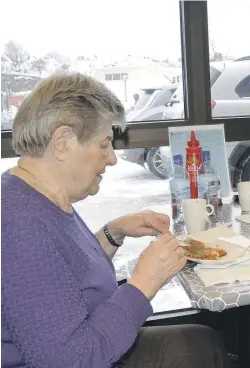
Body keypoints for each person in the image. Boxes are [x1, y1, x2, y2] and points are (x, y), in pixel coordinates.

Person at [1, 72, 230, 368]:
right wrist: (143, 284)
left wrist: (114, 232)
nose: (111, 158)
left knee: (201, 343)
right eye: (104, 144)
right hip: (84, 356)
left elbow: (63, 272)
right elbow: (70, 361)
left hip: (92, 342)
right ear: (63, 142)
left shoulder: (37, 195)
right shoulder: (19, 224)